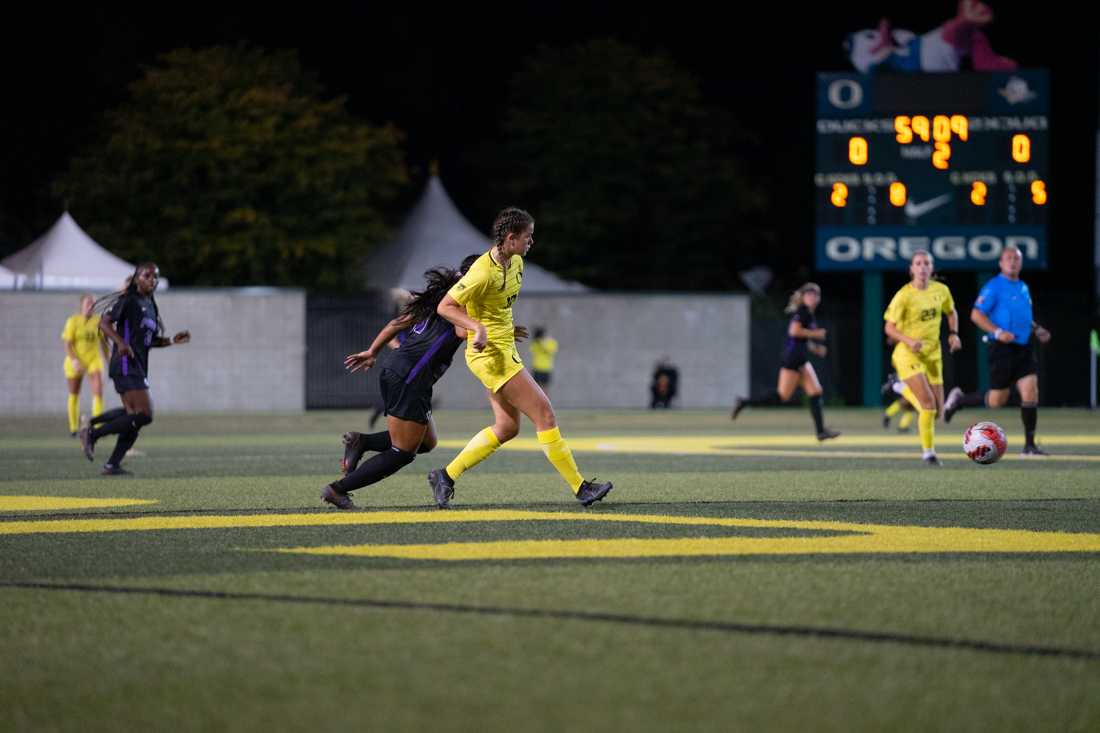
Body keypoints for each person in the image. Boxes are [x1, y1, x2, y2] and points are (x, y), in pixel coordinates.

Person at [427, 207, 613, 508]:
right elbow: (445, 307)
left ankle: (445, 476)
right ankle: (581, 488)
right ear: (511, 238)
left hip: (503, 349)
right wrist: (478, 329)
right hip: (490, 356)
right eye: (528, 236)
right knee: (545, 414)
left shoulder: (515, 263)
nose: (531, 242)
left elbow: (492, 306)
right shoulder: (482, 271)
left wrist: (504, 329)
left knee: (506, 427)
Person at [323, 256, 481, 509]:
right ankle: (337, 489)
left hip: (398, 369)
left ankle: (361, 441)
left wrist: (372, 351)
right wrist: (491, 325)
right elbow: (464, 331)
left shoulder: (438, 298)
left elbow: (396, 323)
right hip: (411, 378)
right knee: (403, 453)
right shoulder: (463, 302)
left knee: (428, 442)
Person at [78, 263, 190, 475]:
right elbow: (104, 322)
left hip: (137, 365)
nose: (152, 280)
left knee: (134, 418)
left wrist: (172, 341)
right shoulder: (128, 300)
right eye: (147, 276)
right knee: (145, 414)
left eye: (155, 277)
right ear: (137, 278)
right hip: (124, 364)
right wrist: (120, 343)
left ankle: (112, 464)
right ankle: (93, 434)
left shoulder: (150, 304)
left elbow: (149, 341)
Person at [943, 245, 1052, 455]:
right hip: (1002, 348)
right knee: (996, 401)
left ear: (1020, 263)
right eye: (1008, 258)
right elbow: (976, 314)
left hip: (1024, 347)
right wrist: (998, 331)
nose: (1012, 261)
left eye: (1016, 258)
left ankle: (1029, 446)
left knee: (1030, 391)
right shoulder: (994, 286)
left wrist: (1037, 329)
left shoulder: (1022, 287)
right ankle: (959, 400)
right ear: (1001, 263)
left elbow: (1024, 318)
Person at [731, 283, 841, 441]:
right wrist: (816, 334)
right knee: (781, 396)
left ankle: (821, 431)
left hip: (800, 359)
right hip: (793, 359)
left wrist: (814, 348)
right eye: (809, 294)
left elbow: (800, 338)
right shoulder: (803, 312)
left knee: (816, 392)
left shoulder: (807, 313)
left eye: (815, 295)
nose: (812, 297)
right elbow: (794, 331)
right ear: (803, 297)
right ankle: (744, 402)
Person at [882, 250, 962, 466]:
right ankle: (929, 454)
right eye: (918, 263)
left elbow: (951, 312)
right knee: (927, 405)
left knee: (938, 413)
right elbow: (889, 327)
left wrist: (954, 334)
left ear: (932, 268)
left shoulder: (941, 290)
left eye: (927, 263)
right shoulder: (904, 295)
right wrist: (908, 341)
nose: (923, 267)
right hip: (908, 353)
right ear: (911, 269)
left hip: (933, 354)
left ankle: (898, 387)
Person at [61, 293, 111, 436]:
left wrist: (109, 361)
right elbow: (68, 344)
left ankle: (97, 425)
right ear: (82, 305)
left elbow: (104, 344)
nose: (91, 306)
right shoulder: (73, 321)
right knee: (74, 393)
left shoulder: (99, 321)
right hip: (76, 361)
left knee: (98, 391)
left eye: (93, 303)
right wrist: (74, 360)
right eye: (88, 303)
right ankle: (73, 427)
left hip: (93, 361)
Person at [529, 326, 558, 396]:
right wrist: (538, 342)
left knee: (545, 388)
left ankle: (547, 404)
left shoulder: (551, 342)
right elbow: (532, 350)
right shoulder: (535, 343)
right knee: (536, 388)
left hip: (546, 368)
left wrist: (543, 342)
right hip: (536, 368)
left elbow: (551, 351)